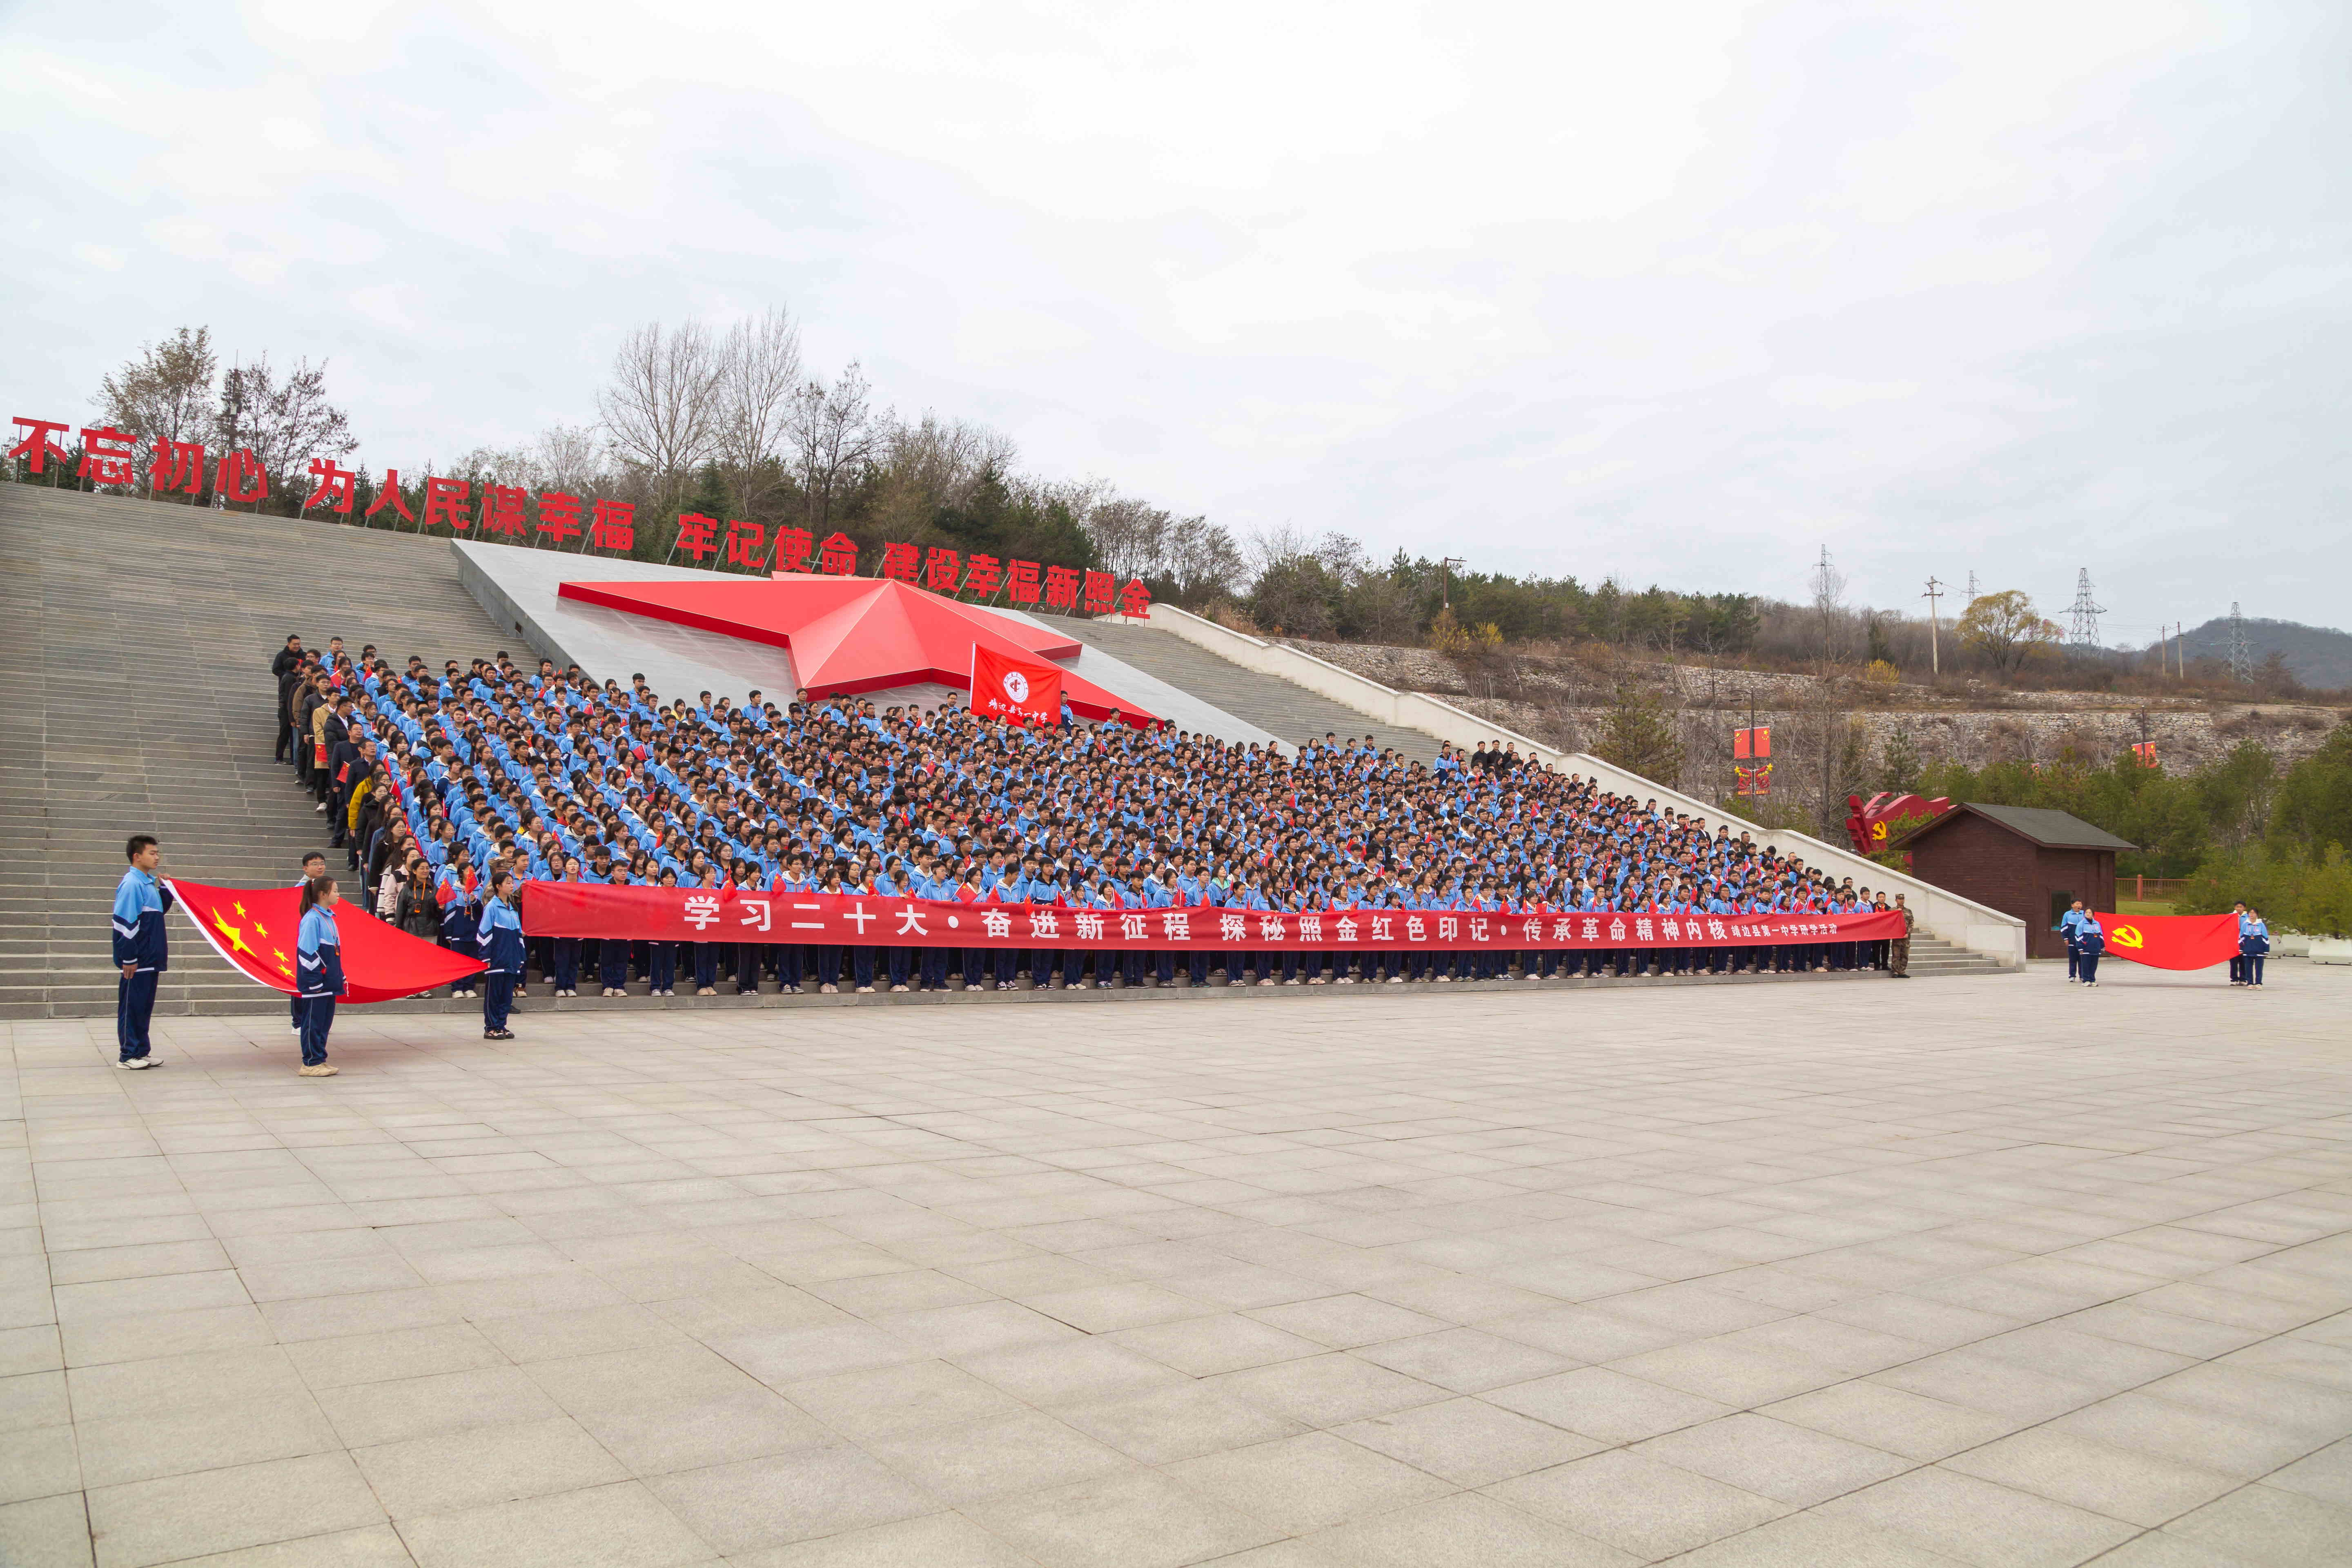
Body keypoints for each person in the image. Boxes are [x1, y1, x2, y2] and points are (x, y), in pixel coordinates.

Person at [111, 834, 174, 1069]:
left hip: (150, 957)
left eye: (158, 853)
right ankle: (128, 1055)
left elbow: (156, 915)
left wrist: (165, 890)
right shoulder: (132, 884)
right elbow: (125, 924)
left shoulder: (148, 883)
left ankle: (140, 1052)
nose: (157, 857)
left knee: (143, 1007)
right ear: (137, 857)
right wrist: (129, 958)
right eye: (152, 853)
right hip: (136, 960)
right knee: (132, 1007)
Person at [293, 876, 345, 1077]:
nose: (338, 895)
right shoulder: (312, 919)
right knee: (313, 1023)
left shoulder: (329, 918)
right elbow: (306, 952)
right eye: (335, 891)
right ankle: (310, 1063)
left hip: (328, 982)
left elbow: (334, 953)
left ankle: (319, 1059)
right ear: (323, 894)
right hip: (316, 983)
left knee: (324, 1024)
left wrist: (339, 974)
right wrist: (315, 981)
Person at [477, 870, 525, 1038]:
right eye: (508, 883)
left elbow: (519, 934)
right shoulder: (492, 907)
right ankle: (491, 1027)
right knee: (494, 995)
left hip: (512, 958)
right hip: (497, 959)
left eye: (513, 882)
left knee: (506, 996)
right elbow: (483, 933)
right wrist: (487, 957)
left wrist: (521, 956)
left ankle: (502, 1026)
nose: (512, 886)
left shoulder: (513, 908)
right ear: (498, 887)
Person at [289, 851, 327, 1036]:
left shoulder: (326, 886)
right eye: (315, 864)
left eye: (322, 863)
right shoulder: (299, 889)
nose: (320, 867)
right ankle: (298, 1022)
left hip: (322, 940)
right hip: (305, 940)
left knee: (320, 980)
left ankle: (315, 1021)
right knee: (304, 979)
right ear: (305, 868)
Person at [2055, 900, 2087, 982]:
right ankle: (2072, 976)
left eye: (2080, 904)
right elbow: (2064, 927)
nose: (2079, 905)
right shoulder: (2067, 914)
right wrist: (2065, 938)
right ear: (2072, 905)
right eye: (2077, 904)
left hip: (2083, 941)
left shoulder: (2085, 914)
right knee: (2073, 959)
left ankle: (2082, 976)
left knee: (2082, 959)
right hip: (2072, 941)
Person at [2240, 906, 2270, 988]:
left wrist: (2266, 950)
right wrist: (2241, 948)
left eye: (2254, 913)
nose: (2252, 914)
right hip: (2248, 950)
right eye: (2250, 913)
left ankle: (2258, 983)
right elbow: (2241, 937)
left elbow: (2265, 937)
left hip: (2259, 950)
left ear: (2257, 915)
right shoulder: (2245, 924)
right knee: (2248, 968)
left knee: (2259, 968)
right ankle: (2250, 983)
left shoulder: (2261, 925)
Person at [2075, 909, 2106, 987]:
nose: (2088, 914)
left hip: (2096, 949)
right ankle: (2086, 980)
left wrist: (2102, 946)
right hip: (2086, 949)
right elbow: (2078, 936)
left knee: (2094, 966)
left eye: (2090, 913)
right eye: (2086, 913)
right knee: (2086, 965)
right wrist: (2080, 948)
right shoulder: (2081, 924)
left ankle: (2092, 981)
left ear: (2093, 914)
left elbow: (2101, 936)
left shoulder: (2097, 924)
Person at [1888, 893, 1912, 978]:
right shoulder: (1892, 910)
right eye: (1899, 899)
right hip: (1897, 937)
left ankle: (1902, 972)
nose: (1901, 901)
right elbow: (1889, 923)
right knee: (1896, 955)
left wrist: (1907, 933)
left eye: (1903, 899)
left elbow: (1911, 923)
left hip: (1906, 938)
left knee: (1905, 955)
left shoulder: (1908, 911)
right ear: (1896, 900)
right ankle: (1895, 972)